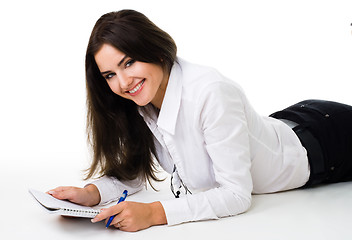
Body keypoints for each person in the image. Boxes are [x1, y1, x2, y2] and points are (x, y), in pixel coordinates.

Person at [48, 9, 352, 232]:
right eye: (110, 75)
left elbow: (235, 195)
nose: (124, 82)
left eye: (129, 62)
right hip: (287, 124)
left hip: (328, 141)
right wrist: (92, 193)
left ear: (153, 50)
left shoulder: (210, 92)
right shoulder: (139, 99)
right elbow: (135, 171)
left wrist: (154, 213)